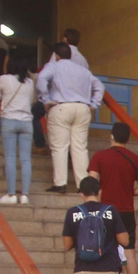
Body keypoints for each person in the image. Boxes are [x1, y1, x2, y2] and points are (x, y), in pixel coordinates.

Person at [89, 122, 138, 274]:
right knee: (130, 253)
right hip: (126, 212)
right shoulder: (135, 159)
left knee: (101, 250)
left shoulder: (99, 156)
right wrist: (127, 192)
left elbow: (92, 183)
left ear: (111, 136)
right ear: (128, 139)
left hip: (104, 210)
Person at [35, 42, 102, 194]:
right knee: (80, 148)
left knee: (59, 147)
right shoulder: (82, 70)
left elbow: (41, 80)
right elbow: (99, 86)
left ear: (57, 55)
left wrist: (45, 99)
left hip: (61, 107)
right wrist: (94, 103)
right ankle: (83, 185)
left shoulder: (53, 66)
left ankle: (60, 184)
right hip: (82, 108)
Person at [0, 58, 36, 205]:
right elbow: (32, 101)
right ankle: (24, 195)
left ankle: (11, 194)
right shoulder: (30, 83)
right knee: (26, 160)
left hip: (9, 121)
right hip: (27, 122)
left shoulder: (3, 79)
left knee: (10, 158)